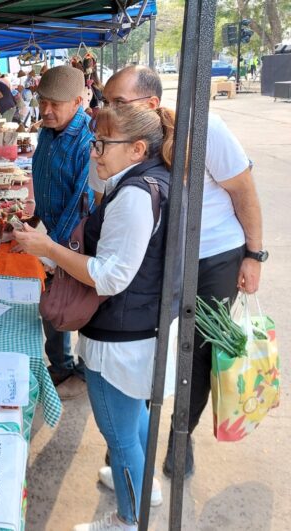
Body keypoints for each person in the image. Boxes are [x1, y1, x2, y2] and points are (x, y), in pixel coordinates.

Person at [15, 104, 176, 531]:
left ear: (137, 148)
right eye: (94, 143)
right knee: (134, 418)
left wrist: (49, 250)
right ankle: (145, 489)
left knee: (119, 433)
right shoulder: (147, 180)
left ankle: (128, 519)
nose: (95, 153)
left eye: (103, 144)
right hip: (137, 325)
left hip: (120, 334)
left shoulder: (136, 195)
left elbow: (110, 277)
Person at [100, 65, 265, 478]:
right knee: (145, 339)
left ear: (151, 103)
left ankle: (180, 434)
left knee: (197, 349)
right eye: (105, 101)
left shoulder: (204, 127)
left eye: (118, 102)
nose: (108, 109)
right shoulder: (122, 139)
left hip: (213, 257)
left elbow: (244, 191)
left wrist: (254, 255)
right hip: (156, 256)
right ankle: (134, 433)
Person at [30, 64, 95, 398]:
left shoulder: (86, 141)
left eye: (55, 104)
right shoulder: (47, 131)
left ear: (78, 102)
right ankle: (60, 363)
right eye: (43, 102)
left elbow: (80, 202)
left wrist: (54, 249)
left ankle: (85, 367)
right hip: (52, 232)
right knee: (52, 301)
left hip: (78, 238)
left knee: (80, 304)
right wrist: (33, 219)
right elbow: (43, 178)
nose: (46, 110)